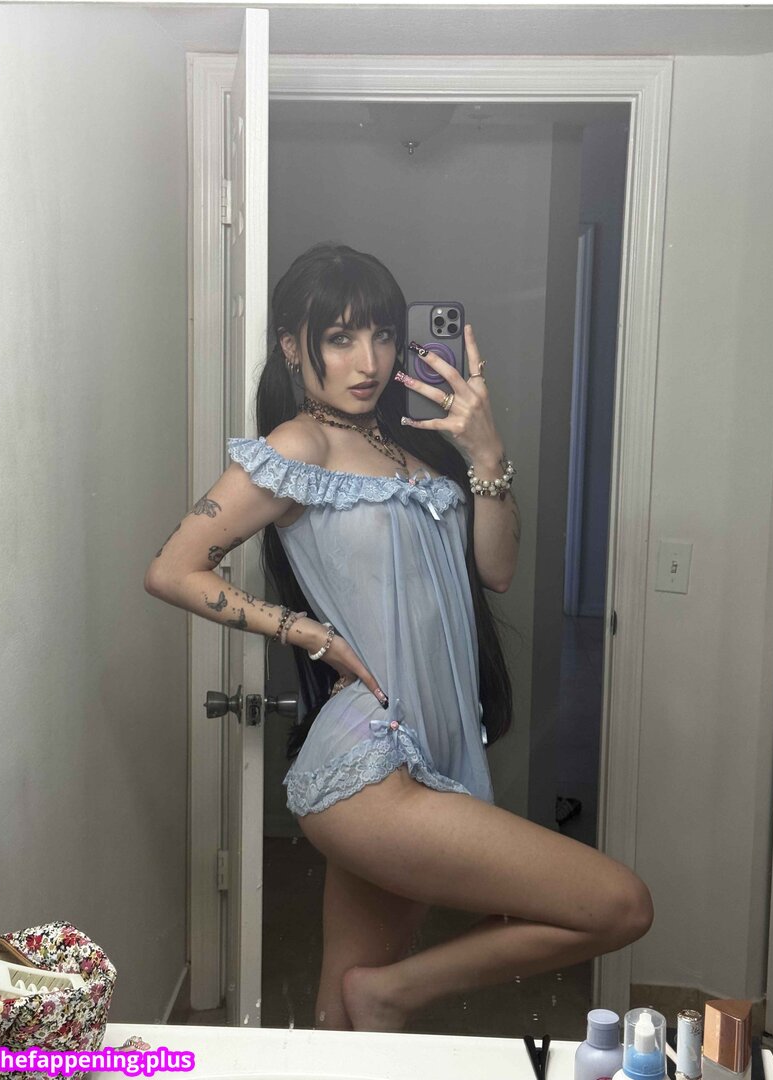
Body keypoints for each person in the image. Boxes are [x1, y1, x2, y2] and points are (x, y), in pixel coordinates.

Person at [144, 241, 653, 1034]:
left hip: (437, 751)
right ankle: (397, 993)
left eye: (382, 334)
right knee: (620, 905)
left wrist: (487, 452)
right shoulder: (299, 446)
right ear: (292, 347)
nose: (369, 360)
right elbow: (173, 568)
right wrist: (308, 634)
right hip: (370, 762)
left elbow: (498, 570)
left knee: (343, 1026)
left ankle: (373, 1004)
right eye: (340, 337)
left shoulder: (411, 451)